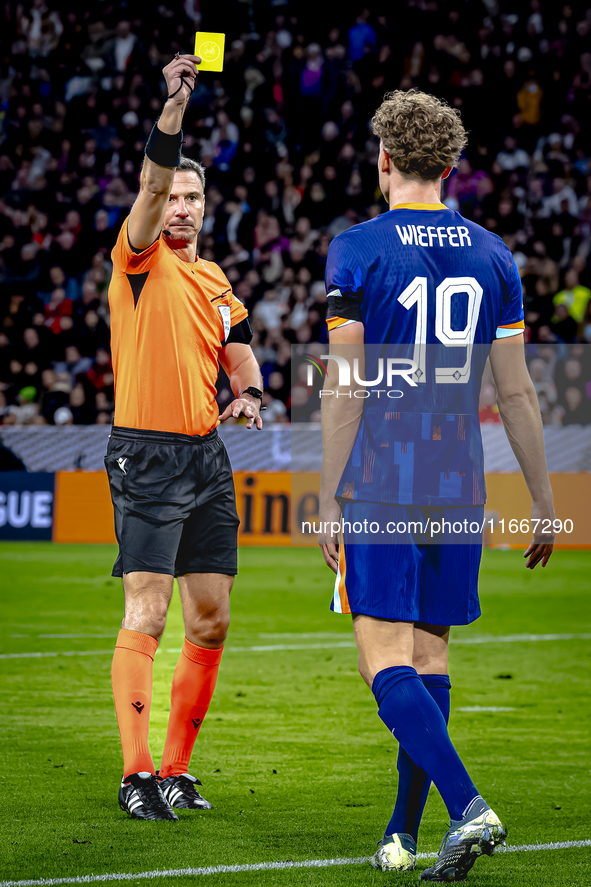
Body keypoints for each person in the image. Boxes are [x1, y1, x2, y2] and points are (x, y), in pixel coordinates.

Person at [318, 90, 554, 881]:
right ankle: (402, 832)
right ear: (450, 166)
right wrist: (544, 503)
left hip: (386, 476)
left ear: (383, 157)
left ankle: (468, 807)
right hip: (458, 477)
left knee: (379, 661)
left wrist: (326, 497)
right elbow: (517, 394)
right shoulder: (492, 255)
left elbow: (346, 384)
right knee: (428, 659)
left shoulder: (355, 247)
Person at [106, 53, 264, 822]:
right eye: (172, 194)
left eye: (192, 197)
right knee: (148, 609)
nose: (179, 206)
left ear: (206, 206)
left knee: (210, 615)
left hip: (206, 456)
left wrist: (251, 389)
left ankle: (175, 770)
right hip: (146, 450)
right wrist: (174, 108)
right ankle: (136, 775)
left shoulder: (213, 280)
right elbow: (146, 183)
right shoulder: (136, 259)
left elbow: (237, 341)